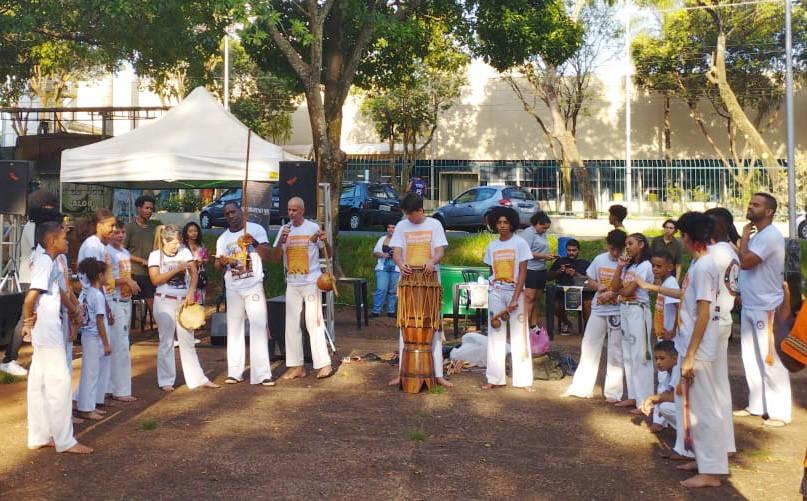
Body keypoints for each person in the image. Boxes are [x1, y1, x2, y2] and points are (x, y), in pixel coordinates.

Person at [638, 212, 728, 488]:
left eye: (680, 233)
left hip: (698, 348)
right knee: (693, 406)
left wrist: (689, 356)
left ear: (688, 236)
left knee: (703, 409)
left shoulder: (704, 266)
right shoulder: (699, 263)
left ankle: (712, 470)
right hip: (691, 343)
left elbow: (703, 313)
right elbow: (688, 299)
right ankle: (703, 460)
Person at [23, 220, 92, 454]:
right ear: (52, 241)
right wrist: (27, 321)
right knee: (59, 383)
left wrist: (74, 310)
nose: (67, 241)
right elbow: (31, 297)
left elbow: (60, 291)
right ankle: (65, 440)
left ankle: (38, 435)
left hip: (48, 327)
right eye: (64, 238)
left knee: (40, 382)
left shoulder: (49, 260)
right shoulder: (44, 261)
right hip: (48, 329)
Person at [735, 193, 791, 427]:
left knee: (770, 359)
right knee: (750, 358)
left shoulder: (770, 236)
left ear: (769, 211)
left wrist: (744, 238)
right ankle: (757, 404)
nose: (750, 206)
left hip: (766, 307)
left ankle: (780, 412)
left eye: (756, 205)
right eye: (750, 203)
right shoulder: (759, 236)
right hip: (751, 303)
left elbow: (746, 262)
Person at [387, 193, 452, 388]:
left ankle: (438, 374)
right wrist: (400, 263)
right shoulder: (401, 226)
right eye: (406, 215)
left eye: (411, 214)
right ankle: (403, 373)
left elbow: (440, 251)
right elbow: (396, 253)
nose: (408, 218)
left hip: (430, 282)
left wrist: (432, 261)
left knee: (432, 327)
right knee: (406, 327)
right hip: (408, 281)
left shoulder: (434, 225)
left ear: (420, 211)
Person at [150, 225, 220, 392]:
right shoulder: (155, 255)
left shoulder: (184, 251)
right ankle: (165, 380)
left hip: (183, 301)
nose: (176, 246)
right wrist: (177, 269)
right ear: (164, 241)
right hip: (164, 300)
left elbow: (194, 273)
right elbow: (156, 280)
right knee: (166, 340)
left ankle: (197, 378)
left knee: (187, 340)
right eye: (173, 243)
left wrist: (192, 292)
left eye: (178, 242)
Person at [270, 197, 332, 380]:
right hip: (292, 282)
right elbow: (274, 257)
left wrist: (325, 240)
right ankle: (297, 366)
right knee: (291, 325)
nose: (291, 213)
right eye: (289, 210)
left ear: (302, 211)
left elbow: (327, 253)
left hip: (311, 280)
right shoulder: (284, 229)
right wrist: (281, 240)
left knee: (313, 321)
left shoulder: (312, 228)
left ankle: (324, 364)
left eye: (294, 210)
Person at [213, 202, 274, 386]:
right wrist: (222, 262)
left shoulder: (255, 229)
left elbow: (267, 255)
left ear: (241, 211)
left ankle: (262, 373)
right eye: (227, 213)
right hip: (233, 288)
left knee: (258, 326)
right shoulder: (223, 239)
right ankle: (235, 372)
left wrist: (253, 243)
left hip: (253, 284)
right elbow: (217, 265)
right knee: (234, 329)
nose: (231, 215)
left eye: (233, 211)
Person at [562, 229, 627, 401]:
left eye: (618, 250)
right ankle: (582, 387)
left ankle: (613, 393)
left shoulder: (627, 262)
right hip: (599, 308)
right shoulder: (599, 259)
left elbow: (627, 286)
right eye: (612, 249)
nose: (615, 253)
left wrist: (614, 292)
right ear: (607, 245)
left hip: (617, 309)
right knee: (589, 344)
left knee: (615, 350)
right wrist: (597, 286)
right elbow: (588, 280)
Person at [1, 190, 59, 377]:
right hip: (32, 277)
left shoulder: (35, 226)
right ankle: (9, 359)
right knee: (25, 317)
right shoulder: (34, 228)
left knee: (30, 316)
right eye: (49, 207)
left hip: (35, 276)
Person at [482, 207, 533, 391]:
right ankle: (494, 378)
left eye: (505, 222)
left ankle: (524, 380)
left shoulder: (520, 244)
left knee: (520, 336)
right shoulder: (492, 246)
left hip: (516, 293)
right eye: (499, 223)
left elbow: (523, 273)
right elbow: (491, 271)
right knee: (496, 334)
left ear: (512, 224)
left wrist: (515, 298)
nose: (502, 226)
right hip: (496, 292)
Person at [705, 207, 740, 453]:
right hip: (720, 319)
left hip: (712, 321)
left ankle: (711, 449)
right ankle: (723, 443)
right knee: (718, 386)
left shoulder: (717, 252)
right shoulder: (728, 250)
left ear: (724, 227)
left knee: (707, 389)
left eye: (711, 224)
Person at [75, 208, 117, 411]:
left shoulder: (100, 245)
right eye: (111, 226)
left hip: (101, 299)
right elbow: (91, 279)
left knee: (101, 359)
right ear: (99, 226)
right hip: (94, 303)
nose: (114, 229)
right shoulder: (92, 246)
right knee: (92, 363)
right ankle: (86, 404)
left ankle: (95, 400)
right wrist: (105, 306)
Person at [611, 233, 654, 410]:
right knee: (628, 354)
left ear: (641, 244)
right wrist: (619, 267)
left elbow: (628, 291)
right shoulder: (630, 266)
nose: (627, 247)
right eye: (626, 244)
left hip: (638, 309)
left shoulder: (645, 266)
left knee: (641, 354)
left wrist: (616, 293)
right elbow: (615, 287)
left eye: (631, 243)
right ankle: (633, 395)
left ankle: (645, 400)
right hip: (626, 308)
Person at [75, 257, 112, 421]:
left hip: (88, 336)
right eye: (106, 274)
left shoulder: (86, 292)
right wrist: (106, 343)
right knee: (90, 373)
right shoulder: (96, 295)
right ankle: (86, 408)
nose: (107, 277)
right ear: (98, 275)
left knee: (90, 372)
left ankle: (89, 405)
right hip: (94, 337)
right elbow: (99, 320)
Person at [106, 220, 139, 402]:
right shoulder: (108, 253)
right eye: (116, 232)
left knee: (122, 344)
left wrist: (128, 283)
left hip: (126, 300)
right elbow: (108, 279)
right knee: (121, 346)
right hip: (115, 300)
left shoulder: (124, 252)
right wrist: (126, 282)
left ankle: (112, 386)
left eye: (122, 232)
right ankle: (121, 389)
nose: (120, 235)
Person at [546, 238, 592, 333]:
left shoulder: (584, 263)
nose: (571, 252)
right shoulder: (560, 261)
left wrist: (576, 274)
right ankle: (566, 322)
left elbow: (590, 279)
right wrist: (558, 272)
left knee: (588, 303)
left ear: (578, 250)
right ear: (566, 250)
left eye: (574, 250)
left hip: (581, 294)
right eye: (569, 250)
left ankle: (588, 329)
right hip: (562, 293)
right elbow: (548, 277)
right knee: (555, 305)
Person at [519, 211, 555, 333]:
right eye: (543, 227)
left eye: (546, 228)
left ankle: (533, 325)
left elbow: (541, 250)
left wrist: (548, 256)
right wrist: (543, 256)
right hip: (530, 269)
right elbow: (525, 252)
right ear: (536, 224)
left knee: (537, 298)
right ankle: (523, 327)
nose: (545, 230)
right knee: (529, 297)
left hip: (541, 269)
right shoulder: (528, 233)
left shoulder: (542, 234)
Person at [124, 195, 157, 324]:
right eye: (146, 208)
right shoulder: (129, 227)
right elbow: (121, 252)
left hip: (151, 273)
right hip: (133, 273)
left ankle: (163, 334)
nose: (149, 211)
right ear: (138, 208)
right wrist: (141, 261)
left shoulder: (154, 228)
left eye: (151, 209)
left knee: (154, 304)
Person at [638, 340, 678, 433]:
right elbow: (666, 395)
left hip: (699, 412)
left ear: (675, 359)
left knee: (665, 407)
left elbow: (675, 396)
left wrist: (652, 399)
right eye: (656, 359)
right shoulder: (669, 374)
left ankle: (691, 434)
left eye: (662, 358)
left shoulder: (677, 370)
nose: (658, 362)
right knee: (663, 404)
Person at [371, 223, 399, 318]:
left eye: (393, 227)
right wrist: (382, 255)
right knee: (381, 289)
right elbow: (375, 253)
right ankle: (376, 311)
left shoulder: (401, 240)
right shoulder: (382, 239)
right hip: (383, 267)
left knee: (393, 290)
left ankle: (391, 311)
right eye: (389, 227)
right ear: (387, 229)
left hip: (396, 267)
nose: (391, 229)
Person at [650, 250, 680, 341]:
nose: (654, 269)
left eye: (659, 266)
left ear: (670, 267)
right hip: (662, 333)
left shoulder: (671, 284)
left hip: (670, 336)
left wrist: (673, 331)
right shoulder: (664, 283)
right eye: (653, 265)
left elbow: (680, 308)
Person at [182, 222, 209, 305]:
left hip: (200, 277)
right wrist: (193, 264)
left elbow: (206, 259)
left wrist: (202, 261)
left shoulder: (201, 245)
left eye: (195, 231)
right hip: (187, 278)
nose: (194, 233)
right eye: (190, 231)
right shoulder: (182, 247)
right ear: (186, 233)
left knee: (199, 304)